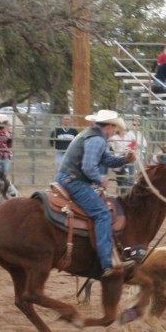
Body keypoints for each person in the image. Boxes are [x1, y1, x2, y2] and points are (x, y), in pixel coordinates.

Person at [56, 110, 136, 278]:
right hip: (75, 181)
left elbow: (106, 159)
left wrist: (124, 159)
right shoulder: (97, 139)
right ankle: (106, 263)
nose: (113, 131)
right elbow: (88, 167)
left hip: (69, 178)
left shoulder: (91, 136)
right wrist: (99, 179)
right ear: (108, 126)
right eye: (113, 127)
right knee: (102, 214)